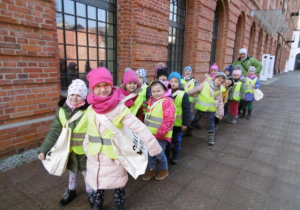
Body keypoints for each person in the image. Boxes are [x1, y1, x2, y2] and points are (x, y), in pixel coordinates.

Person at [83, 67, 162, 210]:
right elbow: (90, 131)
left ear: (112, 85)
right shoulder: (90, 109)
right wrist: (86, 147)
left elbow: (138, 127)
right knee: (97, 183)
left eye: (106, 85)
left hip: (115, 155)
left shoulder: (119, 108)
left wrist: (153, 146)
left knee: (119, 183)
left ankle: (119, 204)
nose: (102, 89)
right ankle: (97, 203)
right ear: (92, 88)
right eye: (98, 86)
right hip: (95, 155)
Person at [38, 79, 92, 207]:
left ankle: (91, 192)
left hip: (85, 151)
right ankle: (71, 190)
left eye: (78, 95)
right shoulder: (62, 111)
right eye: (72, 94)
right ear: (68, 95)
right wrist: (44, 149)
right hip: (68, 150)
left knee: (87, 173)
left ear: (84, 96)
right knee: (72, 172)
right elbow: (54, 131)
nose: (74, 97)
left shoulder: (89, 111)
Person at [142, 80, 176, 181]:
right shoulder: (151, 101)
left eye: (158, 91)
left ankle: (164, 169)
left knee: (159, 153)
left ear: (165, 90)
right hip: (150, 133)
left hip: (161, 134)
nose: (156, 93)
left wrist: (160, 133)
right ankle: (151, 169)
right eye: (154, 91)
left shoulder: (167, 103)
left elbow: (169, 120)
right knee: (150, 152)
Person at [184, 72, 226, 145]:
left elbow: (220, 102)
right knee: (195, 120)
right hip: (201, 107)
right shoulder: (205, 84)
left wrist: (221, 113)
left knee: (211, 123)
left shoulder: (219, 90)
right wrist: (185, 94)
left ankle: (211, 138)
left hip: (211, 109)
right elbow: (195, 90)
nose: (219, 82)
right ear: (215, 78)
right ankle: (188, 131)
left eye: (221, 82)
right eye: (218, 80)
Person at [166, 72, 191, 164]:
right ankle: (166, 155)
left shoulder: (183, 94)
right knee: (168, 140)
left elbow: (187, 110)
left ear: (179, 82)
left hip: (178, 123)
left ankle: (175, 155)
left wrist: (185, 123)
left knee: (177, 140)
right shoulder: (166, 93)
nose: (173, 83)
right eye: (171, 81)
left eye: (175, 81)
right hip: (167, 124)